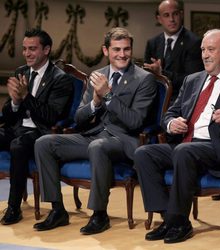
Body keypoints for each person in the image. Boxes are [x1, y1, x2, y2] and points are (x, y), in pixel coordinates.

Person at [33, 27, 157, 234]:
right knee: (44, 143)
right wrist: (95, 103)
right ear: (106, 51)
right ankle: (57, 210)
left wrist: (108, 95)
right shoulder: (97, 75)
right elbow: (79, 119)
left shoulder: (144, 79)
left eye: (126, 49)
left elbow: (135, 121)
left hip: (122, 139)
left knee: (98, 146)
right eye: (116, 49)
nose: (122, 54)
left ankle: (99, 214)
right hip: (92, 135)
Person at [134, 29, 220, 244]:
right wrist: (171, 123)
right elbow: (169, 113)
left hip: (217, 148)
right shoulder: (192, 80)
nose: (205, 54)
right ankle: (167, 218)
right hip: (185, 145)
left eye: (211, 50)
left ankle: (180, 222)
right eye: (203, 49)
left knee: (183, 151)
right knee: (143, 153)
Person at [0, 28, 74, 225]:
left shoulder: (60, 79)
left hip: (41, 132)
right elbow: (8, 116)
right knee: (13, 137)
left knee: (18, 144)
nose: (26, 54)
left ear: (46, 50)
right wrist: (15, 102)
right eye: (24, 49)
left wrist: (26, 97)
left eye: (32, 49)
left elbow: (51, 117)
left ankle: (14, 208)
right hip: (17, 128)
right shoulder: (21, 72)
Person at [144, 0, 203, 103]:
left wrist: (161, 73)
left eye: (175, 14)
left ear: (181, 14)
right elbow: (146, 76)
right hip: (155, 100)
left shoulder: (194, 42)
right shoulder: (152, 43)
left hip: (182, 102)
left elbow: (192, 80)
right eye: (166, 15)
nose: (171, 19)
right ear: (159, 19)